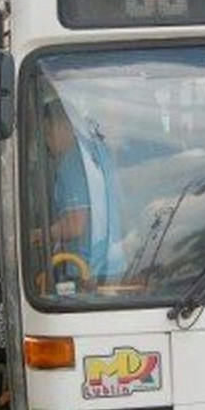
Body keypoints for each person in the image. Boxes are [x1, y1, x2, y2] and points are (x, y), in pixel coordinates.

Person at [40, 101, 124, 284]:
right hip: (113, 264)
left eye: (47, 131)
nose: (46, 140)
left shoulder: (71, 162)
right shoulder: (98, 152)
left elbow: (75, 225)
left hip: (86, 271)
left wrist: (37, 236)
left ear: (65, 125)